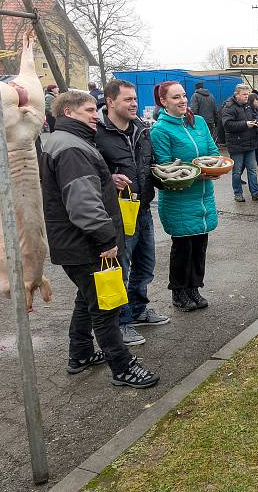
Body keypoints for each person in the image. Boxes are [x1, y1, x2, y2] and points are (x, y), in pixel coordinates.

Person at [39, 90, 159, 388]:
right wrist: (106, 240)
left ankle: (79, 354)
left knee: (87, 298)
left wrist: (109, 180)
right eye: (90, 110)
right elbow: (82, 204)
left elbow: (79, 187)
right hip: (87, 244)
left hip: (74, 243)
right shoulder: (72, 148)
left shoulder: (66, 142)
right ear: (69, 112)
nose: (97, 114)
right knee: (107, 307)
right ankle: (122, 367)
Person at [95, 79, 169, 346]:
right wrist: (109, 180)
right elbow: (88, 171)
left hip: (143, 208)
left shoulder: (141, 128)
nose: (134, 103)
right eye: (128, 99)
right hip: (115, 213)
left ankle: (138, 309)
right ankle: (121, 322)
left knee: (145, 265)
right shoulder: (96, 132)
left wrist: (167, 173)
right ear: (111, 101)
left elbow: (149, 165)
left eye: (135, 99)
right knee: (121, 268)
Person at [150, 81, 221, 312]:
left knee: (200, 245)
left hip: (203, 196)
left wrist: (209, 168)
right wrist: (200, 171)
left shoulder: (198, 122)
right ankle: (179, 293)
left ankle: (194, 288)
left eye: (183, 96)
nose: (182, 101)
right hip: (179, 198)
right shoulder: (160, 130)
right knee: (183, 248)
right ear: (163, 102)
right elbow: (166, 166)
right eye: (175, 97)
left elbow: (213, 153)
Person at [222, 84, 258, 202]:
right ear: (236, 95)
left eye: (247, 94)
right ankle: (238, 193)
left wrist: (257, 123)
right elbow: (227, 125)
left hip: (250, 142)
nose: (246, 97)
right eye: (244, 94)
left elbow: (251, 119)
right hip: (236, 144)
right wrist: (245, 124)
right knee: (237, 171)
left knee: (252, 170)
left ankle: (256, 193)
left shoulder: (247, 106)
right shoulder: (229, 106)